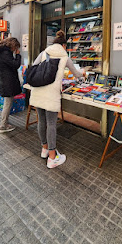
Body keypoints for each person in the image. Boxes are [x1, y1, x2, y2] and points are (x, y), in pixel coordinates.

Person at [30, 30, 86, 169]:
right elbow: (77, 74)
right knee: (51, 123)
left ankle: (44, 149)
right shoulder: (64, 57)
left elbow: (33, 67)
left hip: (38, 90)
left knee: (41, 121)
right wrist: (83, 73)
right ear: (64, 46)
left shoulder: (44, 53)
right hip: (51, 94)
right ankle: (52, 157)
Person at [0, 37, 22, 133]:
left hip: (4, 81)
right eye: (15, 47)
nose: (15, 50)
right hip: (8, 82)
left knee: (7, 103)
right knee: (8, 104)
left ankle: (5, 122)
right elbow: (15, 65)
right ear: (12, 45)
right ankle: (3, 125)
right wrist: (18, 55)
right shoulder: (5, 53)